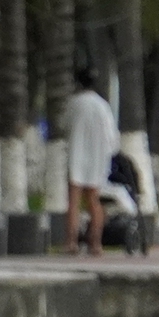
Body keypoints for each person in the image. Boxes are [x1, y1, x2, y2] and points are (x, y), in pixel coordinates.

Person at [61, 66, 119, 256]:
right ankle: (96, 244)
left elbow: (64, 125)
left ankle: (71, 243)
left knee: (74, 202)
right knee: (94, 201)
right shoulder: (102, 105)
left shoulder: (74, 103)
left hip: (76, 156)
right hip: (97, 158)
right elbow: (112, 136)